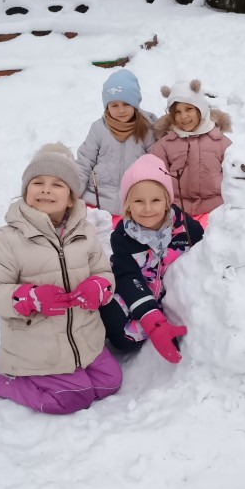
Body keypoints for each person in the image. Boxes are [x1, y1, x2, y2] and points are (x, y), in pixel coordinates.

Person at [0, 144, 123, 414]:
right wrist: (27, 298)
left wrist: (100, 287)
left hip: (84, 337)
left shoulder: (85, 232)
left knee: (110, 383)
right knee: (72, 397)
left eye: (57, 184)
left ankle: (74, 368)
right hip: (37, 344)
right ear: (25, 192)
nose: (45, 189)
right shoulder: (9, 238)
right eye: (38, 182)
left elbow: (104, 273)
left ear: (71, 198)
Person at [100, 154, 204, 363]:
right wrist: (150, 316)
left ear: (167, 201)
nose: (148, 209)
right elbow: (126, 276)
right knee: (112, 318)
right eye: (139, 201)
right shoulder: (123, 236)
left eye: (155, 200)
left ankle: (172, 323)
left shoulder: (186, 227)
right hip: (140, 292)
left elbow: (208, 253)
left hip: (173, 297)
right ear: (128, 204)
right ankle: (155, 326)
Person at [76, 68, 156, 224]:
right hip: (97, 202)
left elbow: (156, 164)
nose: (121, 110)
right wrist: (73, 192)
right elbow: (85, 161)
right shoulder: (99, 128)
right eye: (114, 105)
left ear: (135, 104)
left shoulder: (147, 129)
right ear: (107, 107)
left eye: (126, 104)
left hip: (135, 204)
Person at [151, 79, 232, 227]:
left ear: (200, 110)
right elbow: (155, 179)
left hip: (215, 209)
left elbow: (234, 178)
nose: (183, 116)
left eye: (189, 109)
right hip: (177, 210)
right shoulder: (165, 144)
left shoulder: (221, 142)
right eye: (178, 112)